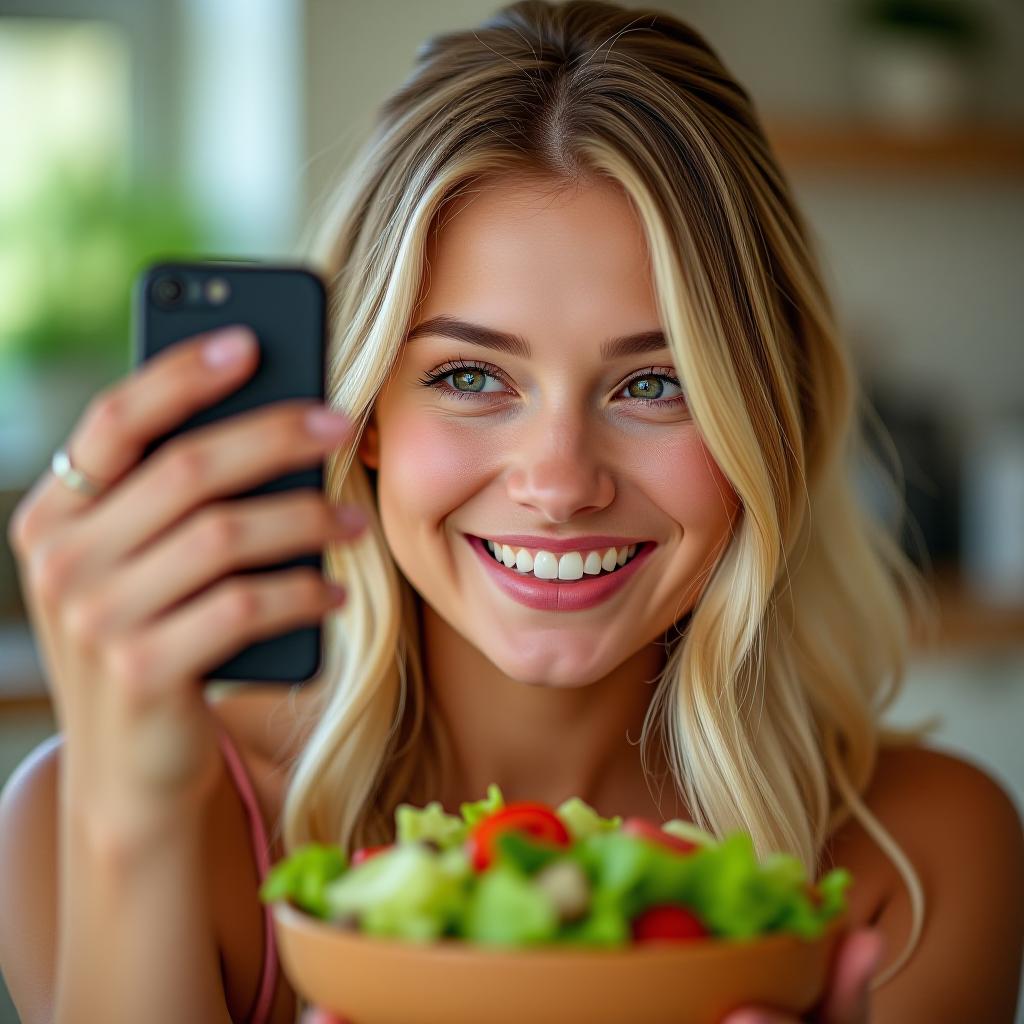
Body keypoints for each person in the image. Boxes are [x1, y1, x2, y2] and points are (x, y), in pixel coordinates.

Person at [2, 1, 1022, 1022]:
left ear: (774, 419)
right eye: (468, 373)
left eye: (655, 384)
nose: (560, 480)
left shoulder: (919, 858)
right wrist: (131, 821)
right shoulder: (100, 823)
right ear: (359, 419)